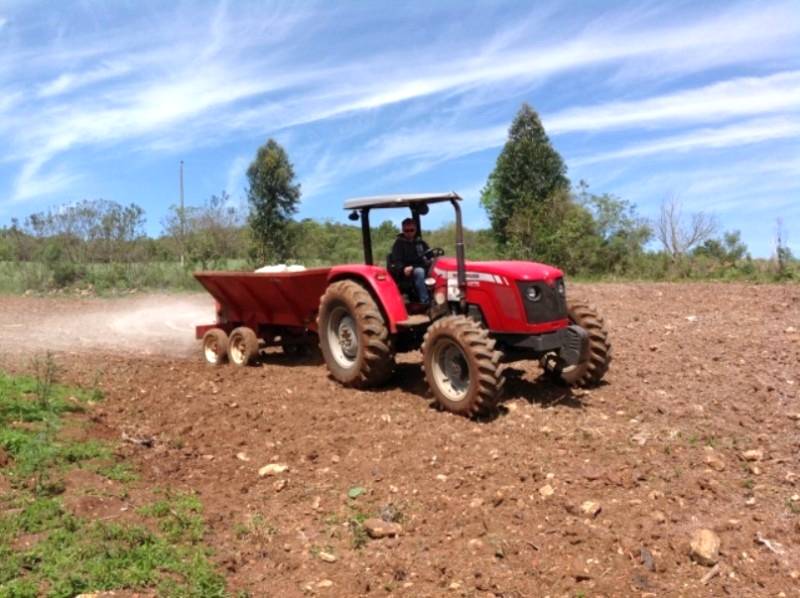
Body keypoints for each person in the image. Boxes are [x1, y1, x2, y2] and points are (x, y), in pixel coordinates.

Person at [389, 217, 431, 303]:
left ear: (415, 230)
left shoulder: (420, 243)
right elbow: (397, 261)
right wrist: (403, 268)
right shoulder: (399, 244)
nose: (409, 233)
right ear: (403, 230)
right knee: (420, 272)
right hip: (406, 272)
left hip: (421, 265)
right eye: (406, 230)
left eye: (411, 230)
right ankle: (425, 301)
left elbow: (430, 255)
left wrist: (432, 260)